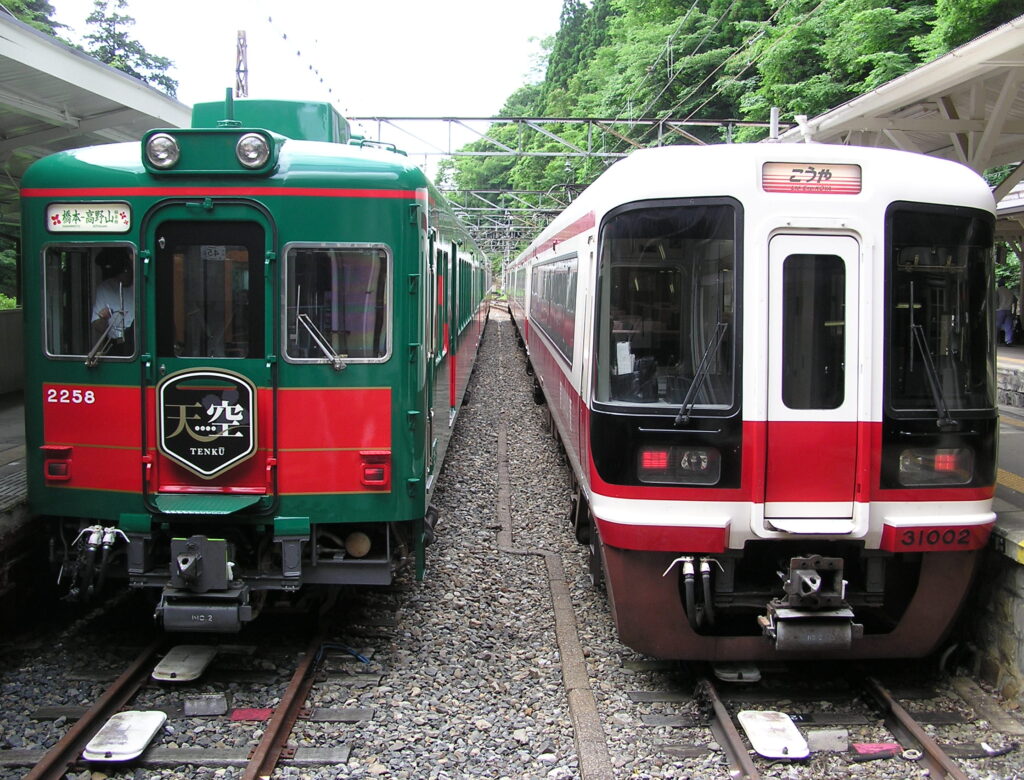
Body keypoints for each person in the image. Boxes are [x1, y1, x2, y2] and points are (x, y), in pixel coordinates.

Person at [91, 248, 135, 355]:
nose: (120, 280)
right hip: (115, 346)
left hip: (139, 346)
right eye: (116, 276)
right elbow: (98, 326)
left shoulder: (142, 286)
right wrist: (103, 318)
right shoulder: (105, 288)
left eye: (123, 273)